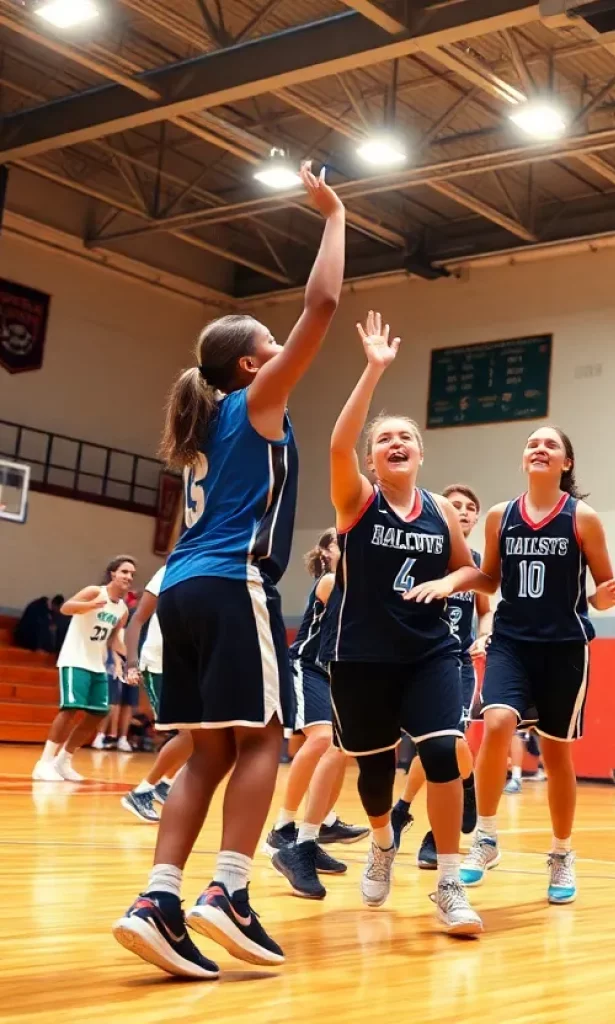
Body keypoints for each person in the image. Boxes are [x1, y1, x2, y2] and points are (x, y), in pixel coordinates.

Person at [112, 162, 346, 980]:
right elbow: (321, 305)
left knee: (207, 750)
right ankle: (231, 891)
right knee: (266, 740)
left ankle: (158, 900)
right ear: (251, 366)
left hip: (178, 588)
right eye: (270, 348)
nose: (283, 352)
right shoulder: (256, 403)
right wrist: (335, 215)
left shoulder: (207, 424)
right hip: (229, 584)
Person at [327, 310, 485, 935]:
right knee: (372, 774)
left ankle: (447, 882)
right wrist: (372, 370)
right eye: (385, 439)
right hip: (362, 654)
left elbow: (470, 571)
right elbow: (337, 443)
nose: (397, 444)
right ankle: (382, 839)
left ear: (421, 453)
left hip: (430, 653)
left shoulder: (441, 509)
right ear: (371, 458)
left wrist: (447, 582)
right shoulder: (356, 500)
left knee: (444, 751)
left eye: (407, 438)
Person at [460, 427, 615, 904]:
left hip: (564, 649)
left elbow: (598, 588)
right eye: (533, 443)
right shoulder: (500, 516)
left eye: (551, 445)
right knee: (496, 723)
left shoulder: (583, 519)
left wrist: (603, 597)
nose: (540, 448)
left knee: (556, 756)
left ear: (566, 463)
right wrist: (454, 576)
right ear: (523, 459)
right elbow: (489, 580)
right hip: (512, 642)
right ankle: (486, 837)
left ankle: (561, 853)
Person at [391, 482, 492, 870]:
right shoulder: (422, 550)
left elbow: (485, 609)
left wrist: (485, 633)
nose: (463, 511)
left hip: (457, 662)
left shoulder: (477, 562)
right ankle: (418, 803)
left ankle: (433, 833)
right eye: (455, 505)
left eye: (470, 507)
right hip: (415, 658)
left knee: (448, 744)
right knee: (429, 746)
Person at [266, 528, 368, 899]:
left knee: (340, 749)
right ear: (326, 551)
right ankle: (283, 827)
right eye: (342, 543)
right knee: (323, 739)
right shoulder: (329, 581)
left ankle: (321, 823)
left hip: (336, 675)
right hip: (306, 666)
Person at [32, 558, 134, 782]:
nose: (128, 576)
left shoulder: (123, 610)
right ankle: (44, 763)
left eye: (131, 573)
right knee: (70, 710)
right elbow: (66, 608)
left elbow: (114, 640)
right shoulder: (94, 592)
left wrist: (132, 658)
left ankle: (63, 761)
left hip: (97, 663)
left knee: (99, 712)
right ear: (112, 574)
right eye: (124, 571)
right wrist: (89, 606)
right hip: (75, 659)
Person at [120, 564, 194, 823]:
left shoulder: (217, 572)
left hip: (190, 667)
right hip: (160, 664)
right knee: (190, 733)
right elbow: (137, 619)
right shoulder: (170, 571)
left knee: (204, 734)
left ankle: (164, 783)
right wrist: (131, 663)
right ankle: (142, 791)